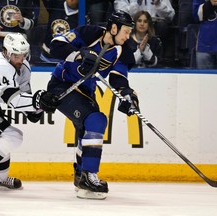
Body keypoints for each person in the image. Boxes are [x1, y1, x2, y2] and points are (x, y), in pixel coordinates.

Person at [47, 10, 138, 199]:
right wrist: (79, 55)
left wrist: (127, 95)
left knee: (87, 130)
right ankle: (88, 176)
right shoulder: (89, 33)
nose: (128, 36)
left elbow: (118, 78)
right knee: (96, 120)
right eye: (126, 31)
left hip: (85, 92)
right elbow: (56, 45)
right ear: (114, 28)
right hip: (62, 86)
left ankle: (81, 175)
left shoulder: (123, 51)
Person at [0, 33, 59, 193]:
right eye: (16, 55)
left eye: (23, 55)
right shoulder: (0, 66)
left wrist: (41, 106)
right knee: (12, 136)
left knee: (2, 141)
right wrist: (39, 99)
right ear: (6, 52)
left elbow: (29, 107)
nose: (20, 59)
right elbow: (14, 101)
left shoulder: (24, 67)